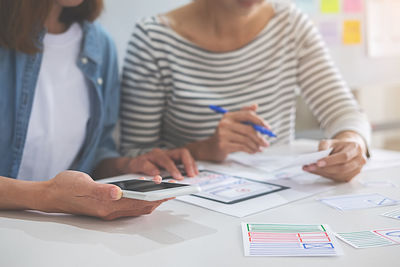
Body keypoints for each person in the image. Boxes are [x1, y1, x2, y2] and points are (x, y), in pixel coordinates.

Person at [120, 0, 371, 183]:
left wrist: (352, 142)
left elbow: (345, 112)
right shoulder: (153, 38)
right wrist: (205, 149)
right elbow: (133, 156)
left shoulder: (290, 24)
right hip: (188, 206)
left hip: (278, 195)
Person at [0, 0, 197, 220]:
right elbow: (56, 195)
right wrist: (49, 196)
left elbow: (96, 154)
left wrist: (129, 166)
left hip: (65, 231)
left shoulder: (99, 45)